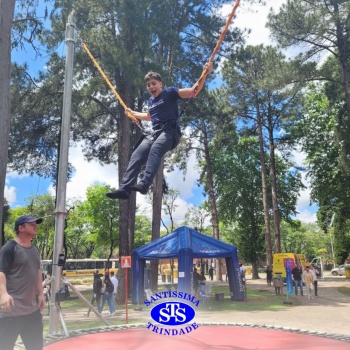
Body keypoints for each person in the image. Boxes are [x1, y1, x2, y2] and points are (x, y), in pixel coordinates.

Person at [106, 62, 213, 200]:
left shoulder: (170, 93)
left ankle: (144, 184)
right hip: (154, 133)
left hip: (170, 132)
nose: (151, 86)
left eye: (153, 83)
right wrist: (133, 113)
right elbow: (149, 116)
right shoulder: (151, 101)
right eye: (148, 85)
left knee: (156, 149)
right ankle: (124, 189)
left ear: (160, 84)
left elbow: (193, 91)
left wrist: (205, 73)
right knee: (137, 155)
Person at [0, 215, 45, 350]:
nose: (35, 225)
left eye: (36, 223)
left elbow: (37, 271)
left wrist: (41, 294)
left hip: (32, 310)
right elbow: (1, 271)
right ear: (21, 228)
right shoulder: (9, 248)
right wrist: (3, 294)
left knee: (36, 347)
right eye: (31, 224)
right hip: (12, 310)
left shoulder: (34, 249)